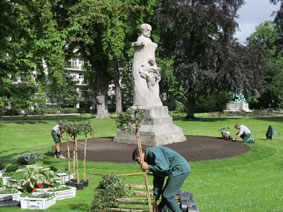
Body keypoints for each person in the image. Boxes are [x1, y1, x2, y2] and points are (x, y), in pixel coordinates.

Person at [132, 146, 191, 212]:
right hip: (176, 171)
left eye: (137, 160)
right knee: (165, 197)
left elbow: (164, 168)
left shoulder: (153, 152)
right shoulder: (150, 160)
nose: (138, 163)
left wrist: (148, 167)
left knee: (168, 195)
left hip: (180, 169)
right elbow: (158, 180)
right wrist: (154, 201)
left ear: (139, 154)